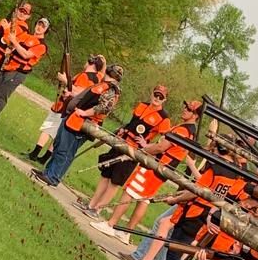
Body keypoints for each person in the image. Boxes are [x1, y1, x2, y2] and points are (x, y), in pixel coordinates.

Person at [88, 99, 203, 233]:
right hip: (161, 166)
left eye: (189, 109)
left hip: (156, 165)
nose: (185, 109)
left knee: (129, 192)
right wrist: (147, 146)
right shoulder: (189, 130)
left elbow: (161, 147)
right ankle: (126, 232)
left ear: (195, 116)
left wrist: (142, 151)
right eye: (185, 106)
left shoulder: (184, 130)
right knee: (143, 200)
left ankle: (110, 224)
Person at [79, 85, 173, 221]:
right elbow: (132, 123)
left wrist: (147, 145)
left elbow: (164, 140)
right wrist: (123, 131)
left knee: (115, 181)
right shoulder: (142, 105)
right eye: (156, 94)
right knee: (106, 174)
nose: (157, 98)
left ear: (165, 99)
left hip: (134, 151)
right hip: (121, 142)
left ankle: (98, 209)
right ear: (152, 93)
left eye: (161, 97)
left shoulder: (164, 118)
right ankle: (91, 204)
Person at [31, 64, 123, 186]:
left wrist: (84, 113)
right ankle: (48, 172)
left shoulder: (111, 89)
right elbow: (87, 98)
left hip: (82, 123)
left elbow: (103, 108)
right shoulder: (103, 84)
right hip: (74, 119)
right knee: (60, 146)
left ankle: (53, 177)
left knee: (65, 151)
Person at [27, 54, 106, 162]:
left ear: (91, 63)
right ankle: (44, 159)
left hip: (65, 106)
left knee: (48, 128)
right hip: (71, 108)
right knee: (57, 133)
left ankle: (34, 154)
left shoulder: (86, 76)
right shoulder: (97, 78)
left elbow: (80, 93)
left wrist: (65, 81)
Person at [0, 17, 50, 128]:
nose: (39, 27)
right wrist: (9, 40)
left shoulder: (42, 45)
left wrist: (15, 42)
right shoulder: (26, 36)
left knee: (2, 96)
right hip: (8, 66)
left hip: (18, 72)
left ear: (46, 30)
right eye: (39, 24)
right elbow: (11, 43)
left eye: (43, 26)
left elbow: (26, 54)